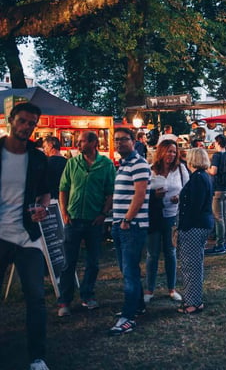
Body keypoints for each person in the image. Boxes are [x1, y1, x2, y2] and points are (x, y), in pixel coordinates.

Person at [0, 102, 51, 370]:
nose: (26, 127)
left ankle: (37, 357)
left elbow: (45, 192)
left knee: (36, 296)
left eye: (31, 123)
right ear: (11, 120)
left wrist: (42, 206)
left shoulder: (38, 158)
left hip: (27, 236)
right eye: (22, 121)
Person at [56, 131, 116, 317]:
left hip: (94, 220)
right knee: (68, 262)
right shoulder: (72, 163)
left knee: (93, 261)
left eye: (81, 141)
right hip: (73, 219)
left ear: (93, 143)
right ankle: (64, 300)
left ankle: (87, 295)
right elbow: (63, 188)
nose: (78, 145)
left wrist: (103, 213)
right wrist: (64, 211)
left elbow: (110, 192)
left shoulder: (106, 165)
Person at [109, 127, 151, 336]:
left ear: (133, 141)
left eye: (123, 140)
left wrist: (127, 219)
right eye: (116, 140)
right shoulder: (123, 165)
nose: (118, 143)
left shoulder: (139, 163)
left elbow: (140, 195)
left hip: (132, 226)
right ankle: (138, 306)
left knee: (129, 272)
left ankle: (128, 316)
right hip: (120, 225)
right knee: (128, 270)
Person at [144, 139, 189, 304]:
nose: (171, 154)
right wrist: (154, 196)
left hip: (172, 216)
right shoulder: (151, 170)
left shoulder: (181, 170)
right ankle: (149, 290)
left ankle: (172, 288)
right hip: (154, 217)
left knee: (170, 253)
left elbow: (188, 190)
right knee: (152, 254)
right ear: (161, 152)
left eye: (174, 151)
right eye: (168, 151)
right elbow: (142, 194)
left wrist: (180, 198)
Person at [176, 148, 214, 314]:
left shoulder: (198, 178)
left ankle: (193, 302)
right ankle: (194, 299)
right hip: (201, 224)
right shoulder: (204, 176)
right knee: (195, 264)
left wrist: (183, 226)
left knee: (190, 265)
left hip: (194, 226)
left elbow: (195, 206)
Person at [206, 134, 226, 255]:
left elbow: (213, 171)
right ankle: (224, 242)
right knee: (225, 216)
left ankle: (220, 244)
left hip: (218, 189)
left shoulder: (217, 156)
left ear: (218, 143)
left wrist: (206, 168)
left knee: (218, 217)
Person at [42, 135, 67, 200]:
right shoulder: (68, 163)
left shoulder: (45, 163)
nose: (44, 149)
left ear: (50, 146)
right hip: (64, 199)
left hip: (49, 199)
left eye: (44, 146)